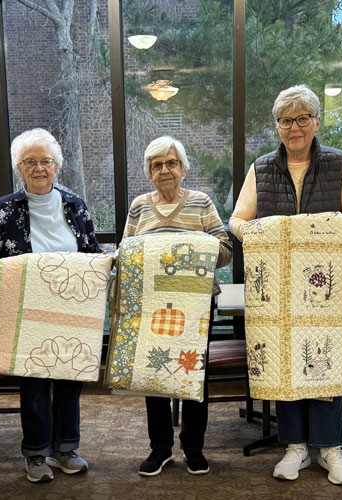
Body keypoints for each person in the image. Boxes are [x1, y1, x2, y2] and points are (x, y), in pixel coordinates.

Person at [229, 85, 342, 486]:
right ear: (277, 126)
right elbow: (237, 221)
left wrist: (322, 228)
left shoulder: (338, 164)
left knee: (324, 355)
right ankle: (294, 447)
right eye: (286, 120)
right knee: (282, 361)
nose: (295, 127)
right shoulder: (260, 169)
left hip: (324, 289)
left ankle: (330, 448)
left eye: (303, 118)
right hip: (275, 289)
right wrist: (269, 231)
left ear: (316, 122)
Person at [0, 128, 101, 483]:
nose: (39, 168)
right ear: (19, 167)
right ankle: (36, 454)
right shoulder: (3, 209)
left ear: (56, 165)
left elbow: (92, 252)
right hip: (26, 309)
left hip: (72, 307)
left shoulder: (75, 204)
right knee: (33, 384)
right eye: (30, 161)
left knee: (68, 380)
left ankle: (66, 449)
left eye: (45, 161)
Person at [124, 136, 232, 477]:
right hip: (152, 304)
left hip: (197, 303)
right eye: (157, 165)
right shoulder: (140, 206)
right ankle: (160, 448)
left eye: (171, 163)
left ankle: (194, 448)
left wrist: (197, 248)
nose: (165, 170)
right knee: (155, 373)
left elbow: (226, 250)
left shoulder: (201, 203)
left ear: (183, 168)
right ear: (149, 173)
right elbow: (127, 252)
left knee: (193, 372)